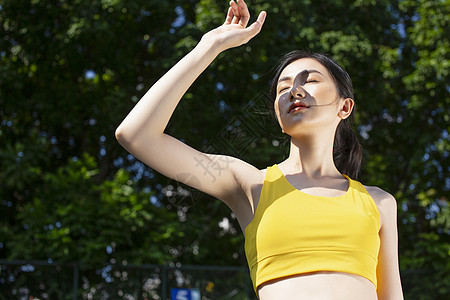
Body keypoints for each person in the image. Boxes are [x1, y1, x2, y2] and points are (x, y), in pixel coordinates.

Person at [115, 0, 404, 299]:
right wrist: (209, 45)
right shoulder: (250, 185)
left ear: (344, 106)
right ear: (279, 117)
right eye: (283, 88)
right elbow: (137, 135)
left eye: (312, 80)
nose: (295, 91)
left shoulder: (379, 202)